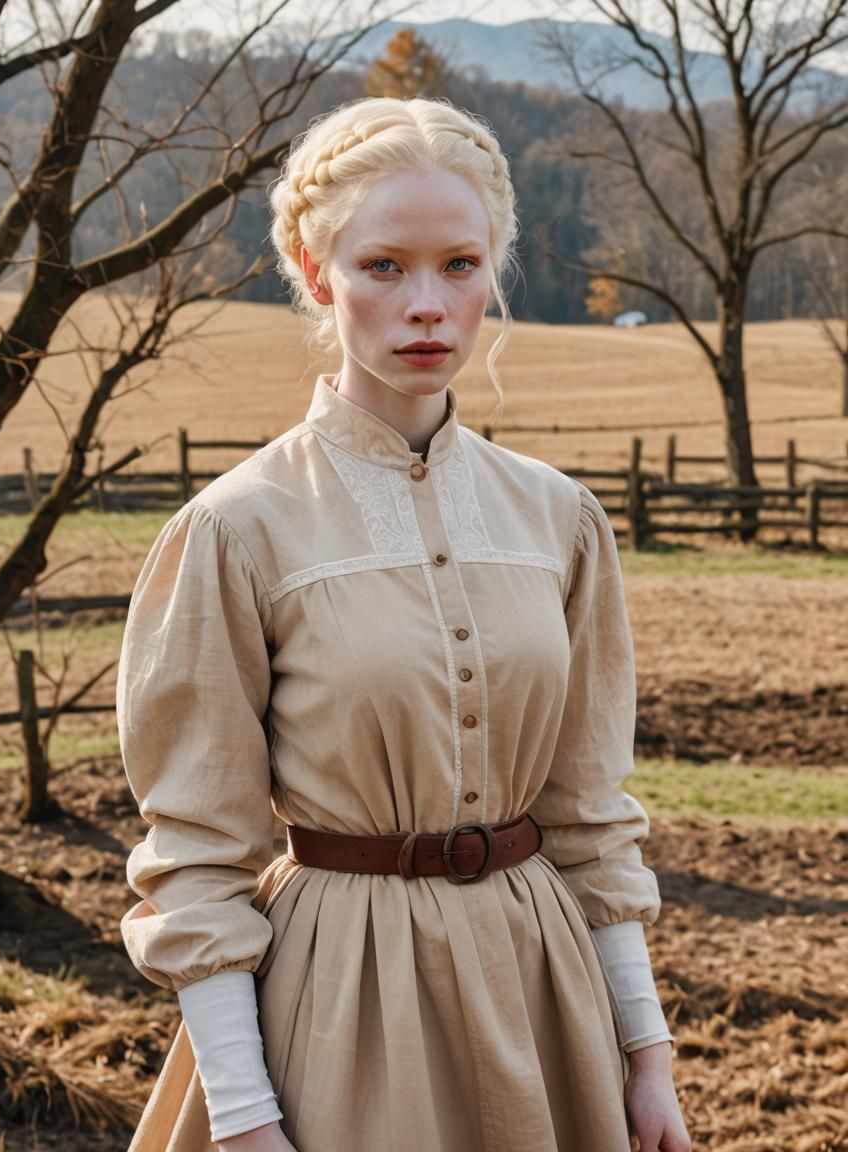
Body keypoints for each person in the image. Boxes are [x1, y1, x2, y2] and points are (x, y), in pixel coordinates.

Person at [117, 96, 692, 1152]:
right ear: (311, 264)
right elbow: (196, 856)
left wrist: (643, 1053)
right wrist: (243, 1118)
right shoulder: (235, 530)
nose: (425, 304)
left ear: (492, 272)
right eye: (382, 266)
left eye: (458, 266)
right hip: (340, 1010)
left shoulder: (558, 519)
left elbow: (588, 817)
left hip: (543, 1001)